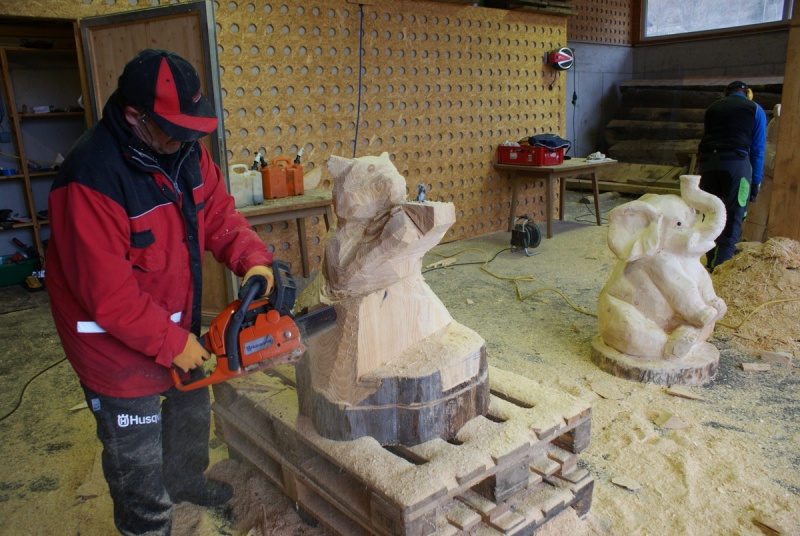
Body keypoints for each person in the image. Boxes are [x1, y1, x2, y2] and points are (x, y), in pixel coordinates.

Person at [47, 49, 274, 535]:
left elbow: (219, 214)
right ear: (136, 116)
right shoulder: (90, 179)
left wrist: (252, 258)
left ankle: (186, 482)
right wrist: (172, 343)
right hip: (111, 347)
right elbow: (109, 296)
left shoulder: (187, 152)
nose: (186, 140)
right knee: (138, 455)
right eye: (174, 130)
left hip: (172, 320)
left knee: (190, 408)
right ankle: (147, 524)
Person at [697, 80, 767, 270]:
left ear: (725, 94)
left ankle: (710, 261)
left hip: (707, 164)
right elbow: (758, 149)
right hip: (736, 164)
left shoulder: (712, 108)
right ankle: (722, 268)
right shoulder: (755, 109)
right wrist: (756, 182)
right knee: (733, 214)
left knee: (711, 212)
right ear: (748, 94)